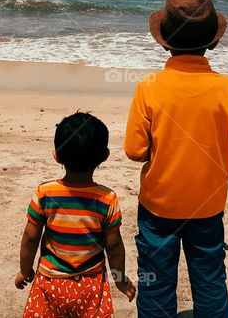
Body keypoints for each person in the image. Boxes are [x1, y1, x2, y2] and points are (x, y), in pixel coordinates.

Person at [125, 0, 228, 317]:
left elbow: (134, 150)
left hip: (158, 205)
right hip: (208, 204)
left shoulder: (149, 87)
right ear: (211, 41)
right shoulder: (226, 88)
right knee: (210, 277)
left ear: (165, 41)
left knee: (155, 281)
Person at [15, 112, 137, 317]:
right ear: (104, 156)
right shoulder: (107, 198)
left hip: (50, 282)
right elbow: (114, 246)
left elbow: (30, 237)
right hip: (90, 285)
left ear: (56, 155)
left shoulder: (45, 194)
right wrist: (120, 279)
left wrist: (25, 270)